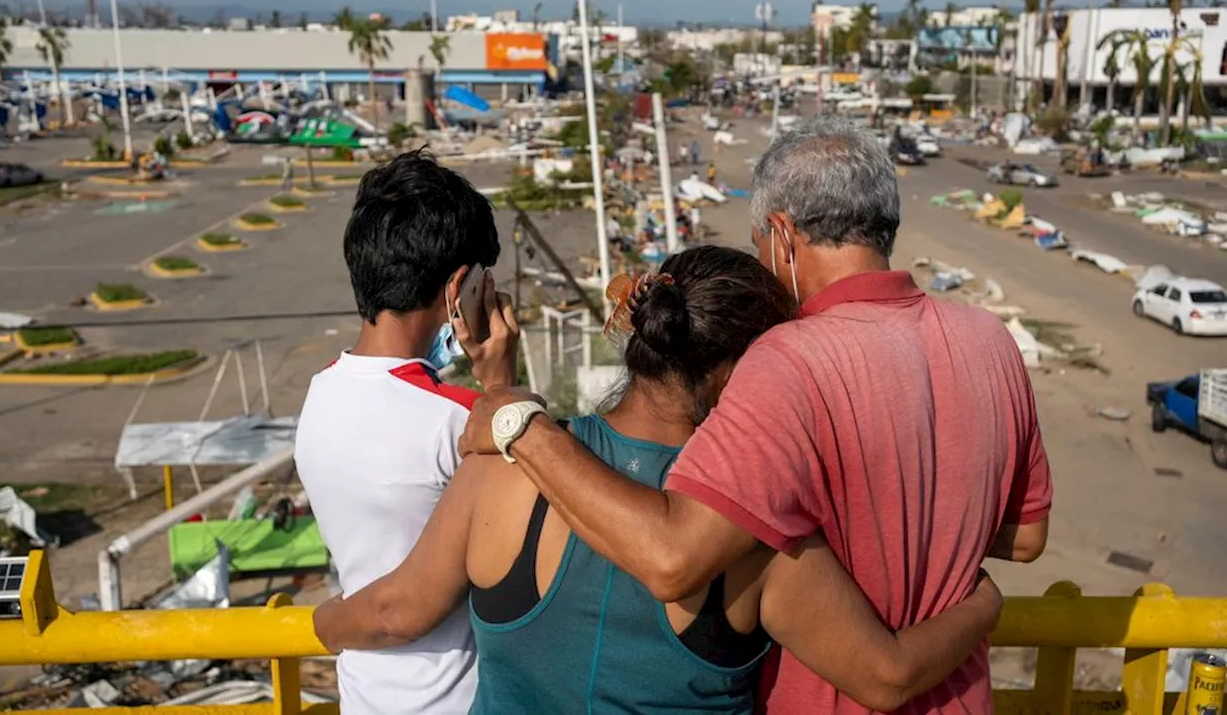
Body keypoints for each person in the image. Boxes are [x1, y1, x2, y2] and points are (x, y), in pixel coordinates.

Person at [459, 116, 1052, 713]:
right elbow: (1025, 537)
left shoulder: (785, 359)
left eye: (759, 245)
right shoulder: (991, 340)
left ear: (781, 234)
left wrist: (519, 421)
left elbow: (672, 560)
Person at [314, 246, 1004, 713]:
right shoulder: (754, 537)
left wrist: (318, 622)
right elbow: (885, 675)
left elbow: (393, 610)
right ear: (744, 373)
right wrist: (982, 606)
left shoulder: (505, 468)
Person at [296, 150, 516, 715]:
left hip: (366, 695)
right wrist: (503, 388)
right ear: (458, 287)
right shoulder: (461, 418)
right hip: (461, 701)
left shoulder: (319, 396)